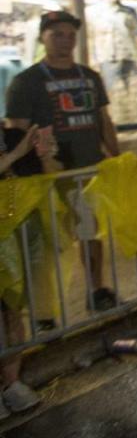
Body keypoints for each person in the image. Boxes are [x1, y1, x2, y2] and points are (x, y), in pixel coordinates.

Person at [5, 11, 120, 312]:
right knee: (45, 246)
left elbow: (103, 119)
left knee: (90, 232)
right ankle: (43, 311)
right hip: (46, 177)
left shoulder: (90, 76)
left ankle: (97, 289)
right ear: (42, 37)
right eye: (57, 34)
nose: (65, 41)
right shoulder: (25, 82)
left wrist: (117, 157)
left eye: (71, 35)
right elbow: (17, 130)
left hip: (88, 170)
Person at [0, 125, 43, 418]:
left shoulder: (8, 133)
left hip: (8, 234)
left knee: (12, 310)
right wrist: (17, 153)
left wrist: (41, 152)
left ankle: (11, 385)